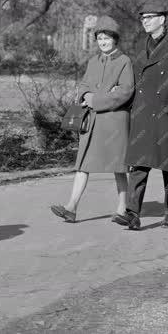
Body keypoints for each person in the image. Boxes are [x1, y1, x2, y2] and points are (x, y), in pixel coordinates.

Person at [113, 0, 168, 231]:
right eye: (142, 18)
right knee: (138, 167)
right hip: (142, 116)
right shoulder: (140, 48)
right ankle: (132, 214)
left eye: (149, 18)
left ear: (162, 19)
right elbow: (134, 82)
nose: (145, 22)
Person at [50, 15, 135, 223]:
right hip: (92, 122)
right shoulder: (93, 61)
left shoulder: (125, 61)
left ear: (115, 39)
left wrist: (95, 99)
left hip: (115, 123)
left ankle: (123, 209)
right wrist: (86, 95)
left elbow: (125, 92)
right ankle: (71, 207)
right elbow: (84, 85)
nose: (103, 42)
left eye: (107, 38)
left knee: (119, 168)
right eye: (99, 39)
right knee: (82, 165)